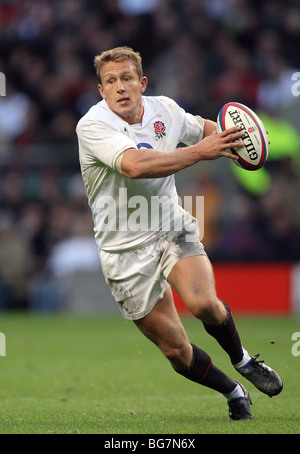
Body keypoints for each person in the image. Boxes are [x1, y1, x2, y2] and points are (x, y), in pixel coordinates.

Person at [76, 46, 283, 421]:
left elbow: (203, 129)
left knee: (204, 304)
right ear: (101, 91)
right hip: (123, 251)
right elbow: (135, 166)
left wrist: (243, 135)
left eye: (126, 79)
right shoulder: (92, 126)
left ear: (142, 83)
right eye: (110, 81)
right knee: (177, 351)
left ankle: (244, 362)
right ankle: (233, 392)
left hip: (170, 226)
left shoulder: (165, 110)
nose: (119, 87)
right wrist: (201, 153)